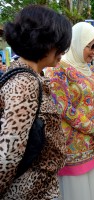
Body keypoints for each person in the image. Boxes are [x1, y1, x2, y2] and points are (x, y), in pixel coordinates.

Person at [0, 5, 71, 199]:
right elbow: (8, 156)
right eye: (60, 45)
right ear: (45, 43)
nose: (62, 52)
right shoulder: (25, 83)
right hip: (28, 192)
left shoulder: (30, 75)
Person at [45, 22, 94, 200]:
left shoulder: (87, 68)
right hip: (72, 149)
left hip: (93, 146)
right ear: (77, 42)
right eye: (91, 46)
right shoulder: (58, 68)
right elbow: (64, 108)